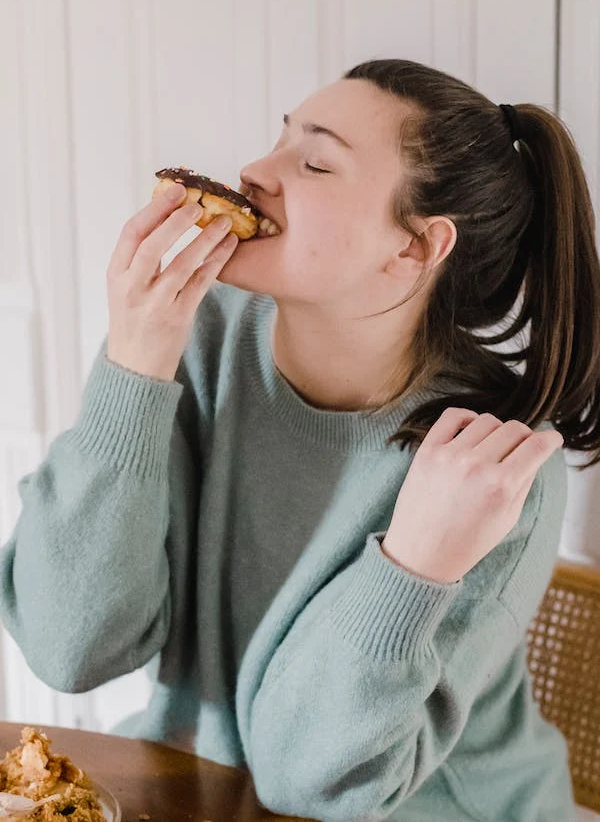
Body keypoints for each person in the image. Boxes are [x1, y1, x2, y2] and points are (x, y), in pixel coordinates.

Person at [1, 58, 599, 822]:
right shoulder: (193, 335)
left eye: (314, 161)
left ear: (415, 247)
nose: (254, 172)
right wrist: (132, 368)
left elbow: (309, 782)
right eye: (280, 140)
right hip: (204, 788)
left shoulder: (493, 465)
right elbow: (68, 647)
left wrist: (413, 566)